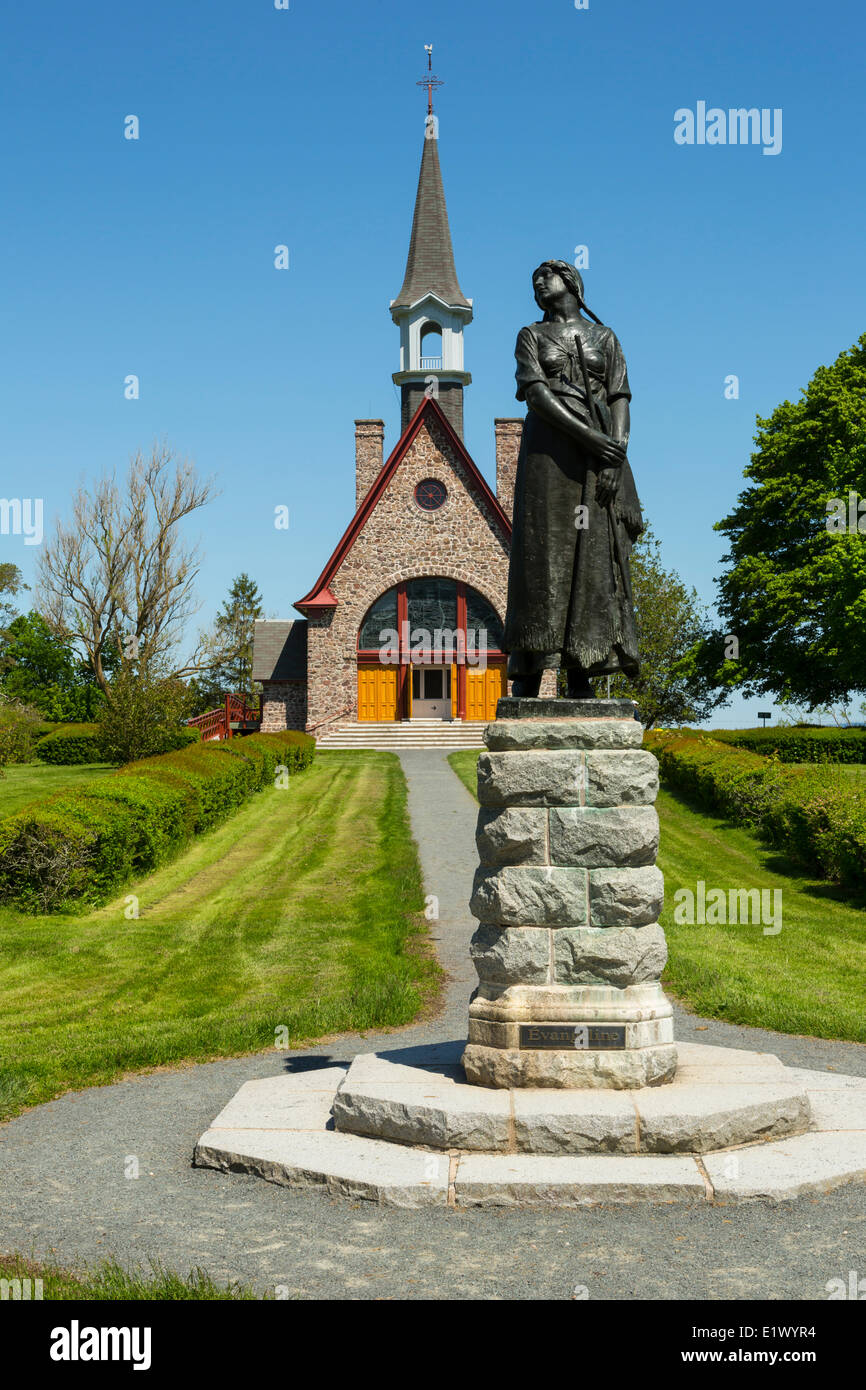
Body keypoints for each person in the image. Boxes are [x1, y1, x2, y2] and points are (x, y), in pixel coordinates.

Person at [503, 260, 643, 698]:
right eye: (535, 281)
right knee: (541, 556)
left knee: (592, 555)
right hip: (549, 453)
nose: (539, 284)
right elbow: (537, 393)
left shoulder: (606, 338)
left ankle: (584, 668)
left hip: (596, 455)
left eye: (547, 276)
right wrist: (590, 437)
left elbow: (619, 394)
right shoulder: (531, 335)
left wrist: (613, 454)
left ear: (572, 283)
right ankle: (529, 670)